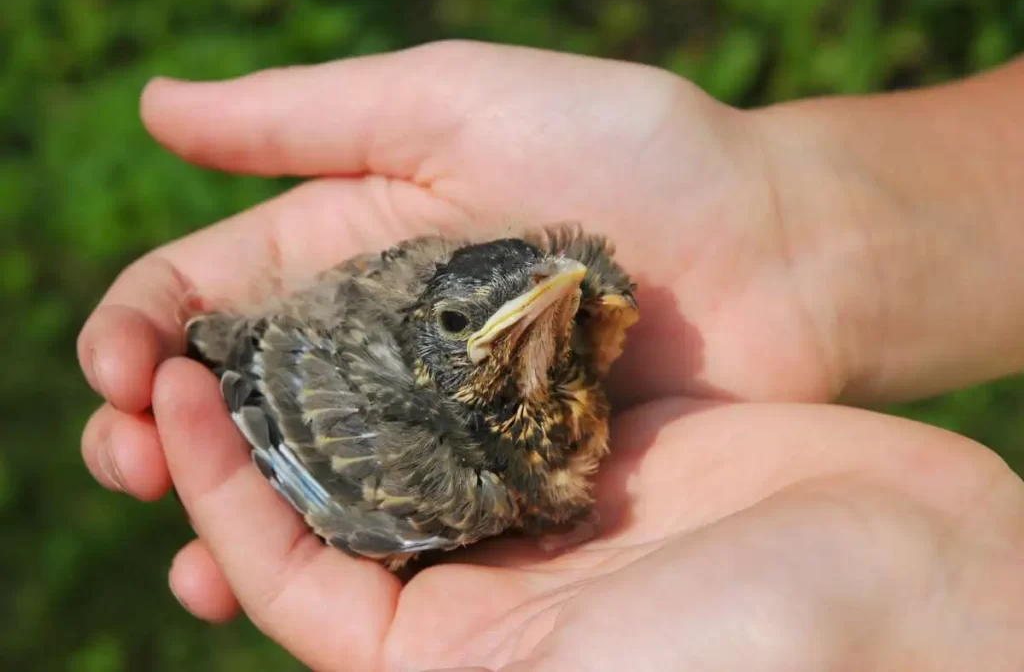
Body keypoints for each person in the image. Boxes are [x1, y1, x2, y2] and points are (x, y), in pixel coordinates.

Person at [77, 40, 1024, 671]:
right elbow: (258, 402)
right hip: (288, 358)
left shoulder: (580, 312)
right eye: (459, 329)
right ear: (429, 343)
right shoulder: (443, 476)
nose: (549, 308)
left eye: (548, 298)